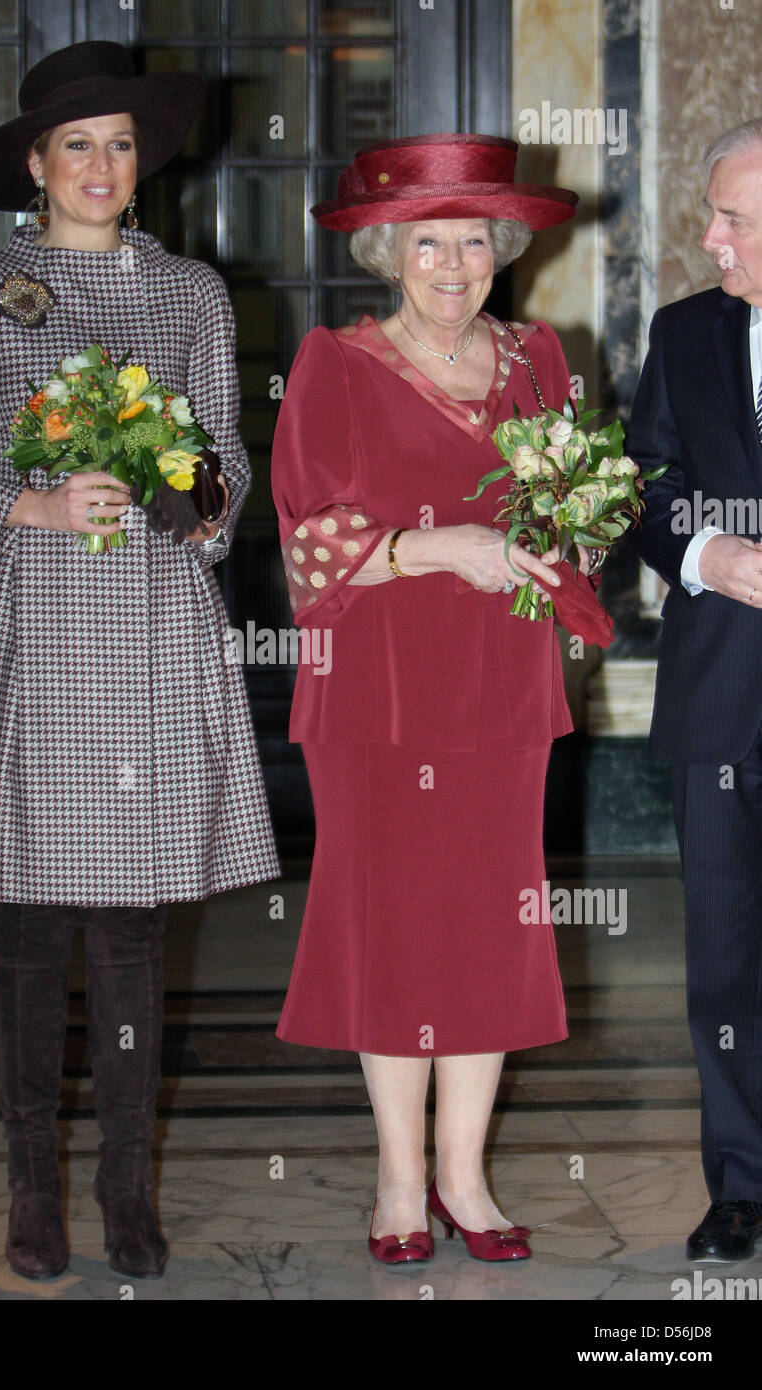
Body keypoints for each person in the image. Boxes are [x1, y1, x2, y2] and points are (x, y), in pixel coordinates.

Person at [0, 41, 279, 1282]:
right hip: (32, 623)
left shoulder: (192, 296)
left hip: (151, 626)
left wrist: (194, 502)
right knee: (30, 931)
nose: (100, 166)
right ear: (34, 165)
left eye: (119, 143)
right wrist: (33, 506)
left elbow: (225, 458)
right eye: (76, 146)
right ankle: (31, 1194)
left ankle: (124, 1190)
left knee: (127, 930)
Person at [271, 134, 581, 1264]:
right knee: (394, 930)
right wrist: (437, 547)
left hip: (500, 685)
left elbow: (564, 512)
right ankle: (399, 1183)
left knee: (487, 931)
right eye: (427, 242)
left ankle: (466, 1176)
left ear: (500, 247)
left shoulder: (538, 358)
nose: (452, 264)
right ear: (387, 251)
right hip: (377, 693)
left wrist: (564, 534)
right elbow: (307, 546)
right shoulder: (332, 365)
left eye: (472, 241)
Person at [626, 117, 762, 1262]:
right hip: (719, 691)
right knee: (722, 952)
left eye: (732, 220)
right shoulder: (681, 333)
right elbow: (644, 482)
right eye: (710, 213)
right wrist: (705, 555)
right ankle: (741, 1182)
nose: (708, 238)